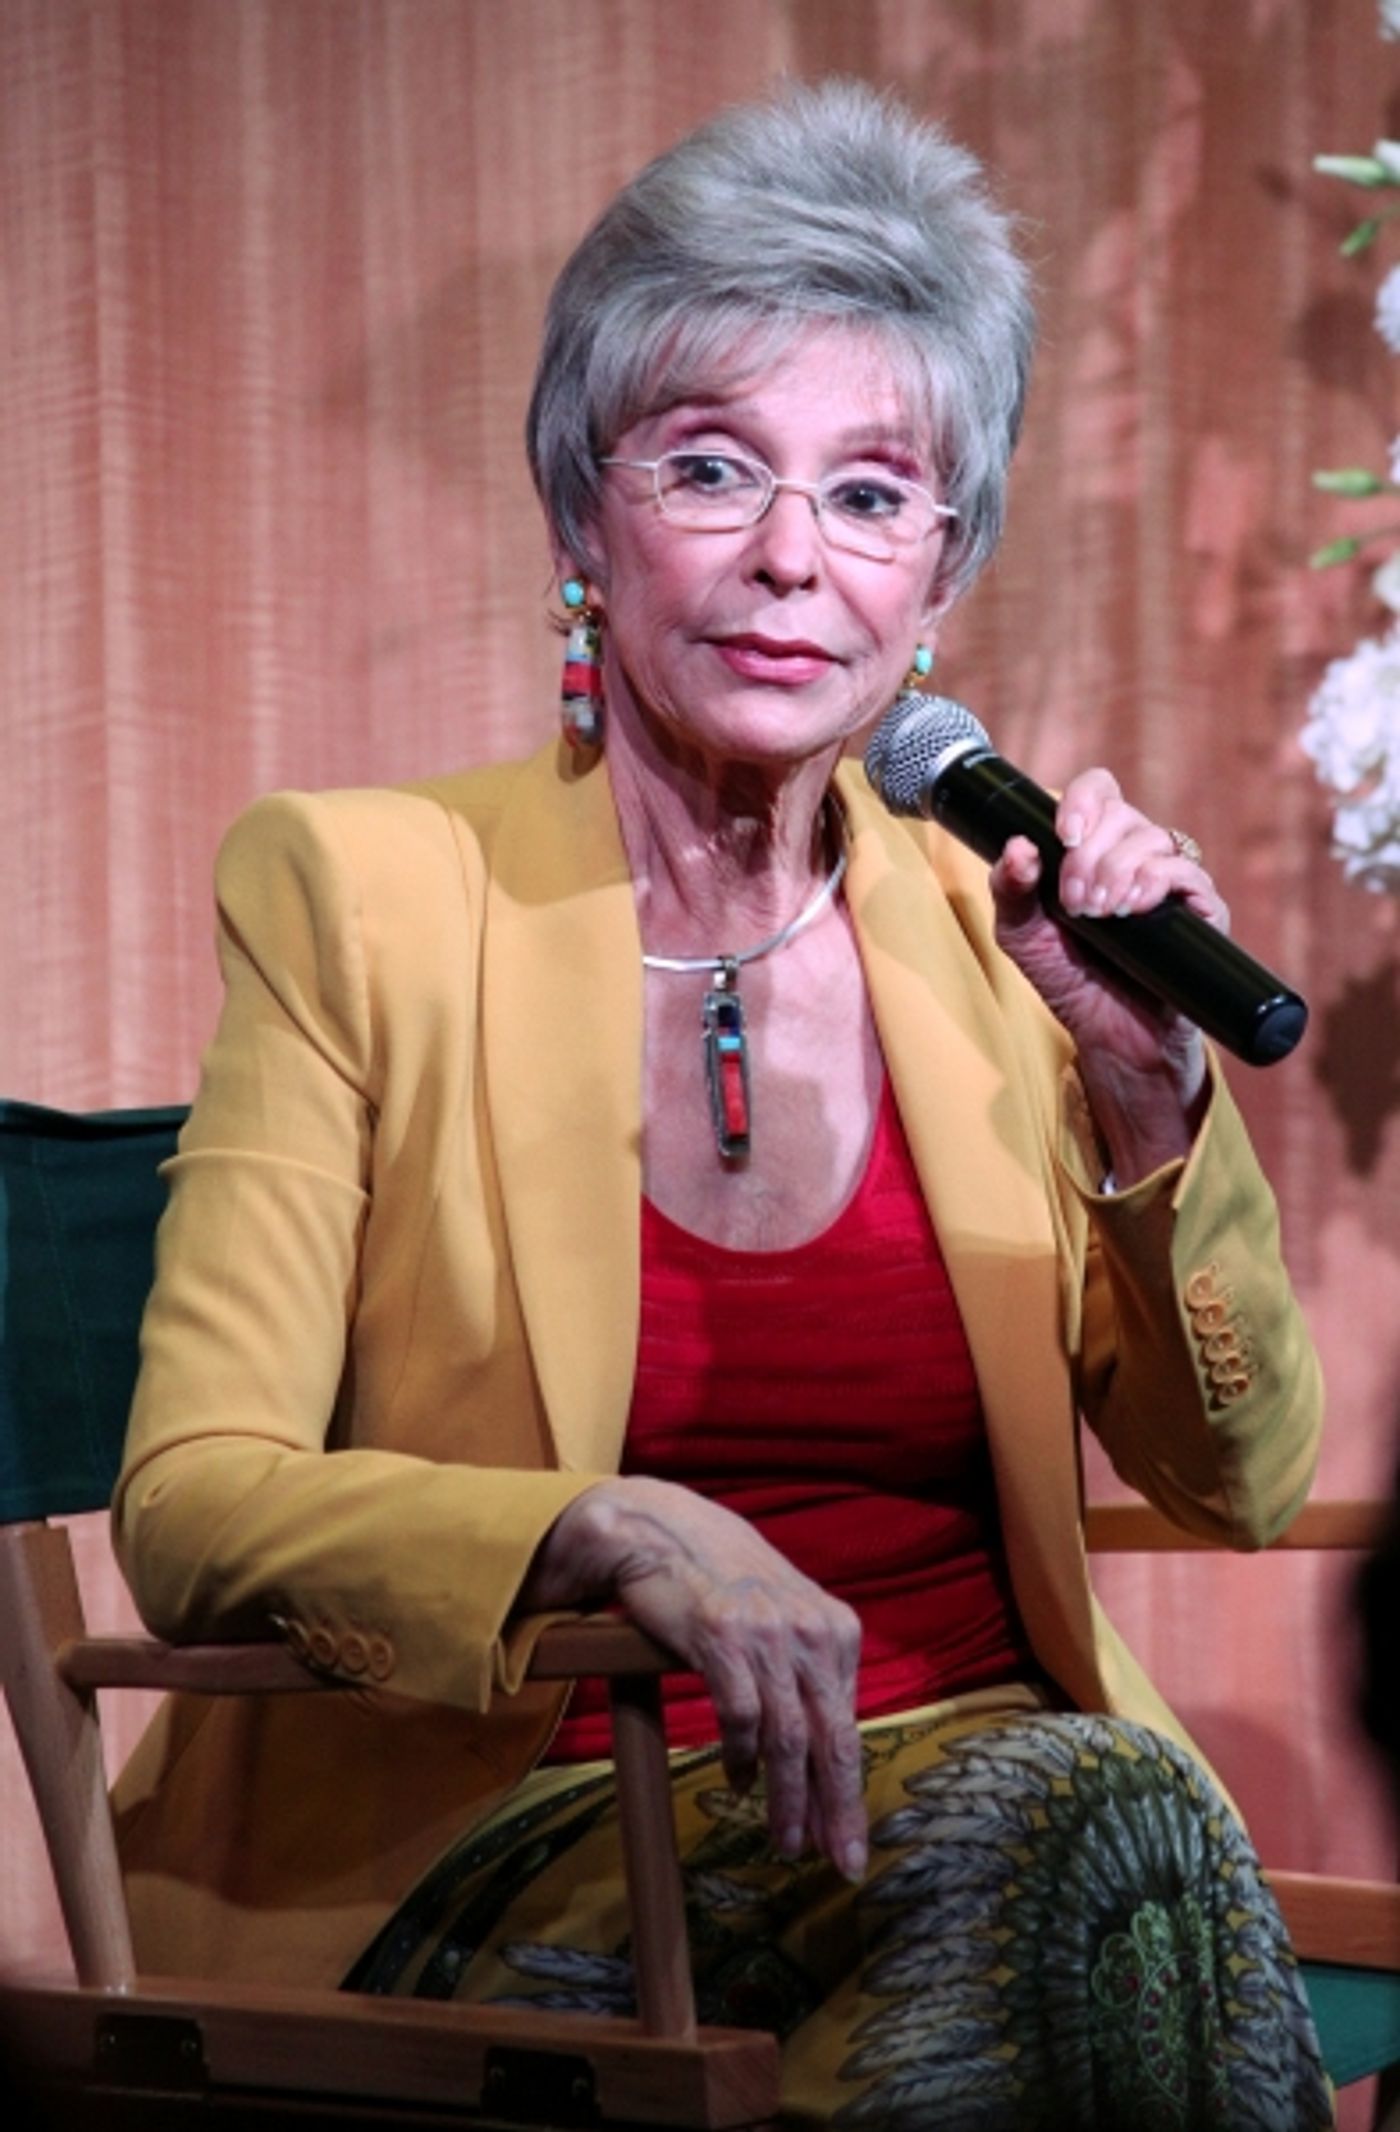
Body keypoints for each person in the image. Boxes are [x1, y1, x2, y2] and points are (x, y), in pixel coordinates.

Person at [111, 79, 1331, 2130]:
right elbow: (195, 1498)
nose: (790, 560)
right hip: (530, 1819)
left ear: (937, 574)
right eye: (708, 467)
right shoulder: (364, 892)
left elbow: (1247, 1484)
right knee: (1093, 1872)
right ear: (581, 517)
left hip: (1021, 1810)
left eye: (870, 494)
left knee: (1080, 1860)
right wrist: (599, 1523)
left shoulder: (997, 924)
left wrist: (1148, 1110)